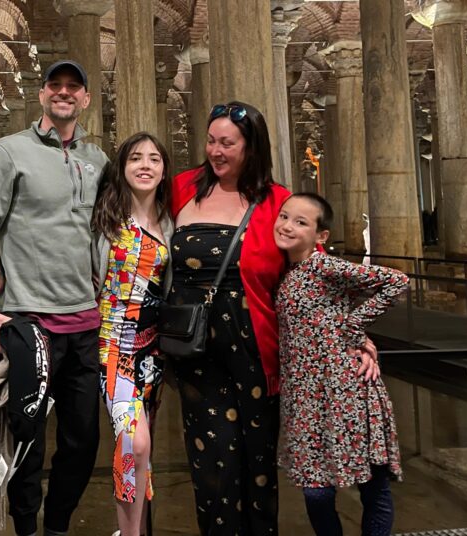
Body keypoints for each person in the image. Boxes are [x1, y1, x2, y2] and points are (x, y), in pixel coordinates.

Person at [166, 101, 380, 535]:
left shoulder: (279, 201)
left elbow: (312, 275)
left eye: (228, 143)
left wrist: (355, 335)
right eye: (211, 140)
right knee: (212, 462)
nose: (216, 151)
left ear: (251, 147)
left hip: (257, 347)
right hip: (197, 348)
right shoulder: (183, 188)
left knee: (258, 463)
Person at [0, 59, 108, 536]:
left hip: (86, 323)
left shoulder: (98, 161)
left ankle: (57, 524)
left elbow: (111, 233)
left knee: (83, 441)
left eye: (73, 88)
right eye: (55, 86)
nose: (64, 93)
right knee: (26, 442)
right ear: (42, 94)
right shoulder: (9, 152)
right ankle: (25, 527)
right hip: (28, 324)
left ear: (85, 99)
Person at [274, 193, 405, 536]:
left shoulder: (323, 265)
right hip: (305, 396)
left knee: (372, 486)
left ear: (321, 235)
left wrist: (355, 328)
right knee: (316, 491)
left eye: (300, 222)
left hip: (345, 388)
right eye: (284, 216)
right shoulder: (287, 271)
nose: (287, 226)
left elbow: (396, 281)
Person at [91, 132, 173, 536]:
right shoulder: (106, 220)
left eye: (154, 159)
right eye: (136, 158)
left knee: (145, 447)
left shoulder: (171, 222)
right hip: (113, 346)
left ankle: (136, 525)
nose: (145, 165)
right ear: (122, 168)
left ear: (163, 169)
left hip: (153, 353)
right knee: (132, 443)